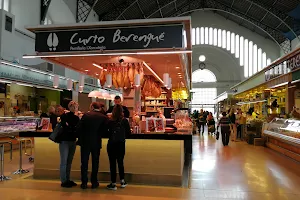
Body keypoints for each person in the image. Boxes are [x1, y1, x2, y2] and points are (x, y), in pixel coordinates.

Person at [77, 102, 108, 189]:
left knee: (84, 162)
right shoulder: (103, 117)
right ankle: (94, 182)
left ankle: (84, 182)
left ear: (92, 107)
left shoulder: (86, 115)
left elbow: (79, 128)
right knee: (95, 162)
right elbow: (105, 131)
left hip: (85, 142)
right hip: (96, 142)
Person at [106, 105, 131, 190]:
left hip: (112, 143)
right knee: (120, 162)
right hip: (121, 143)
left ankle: (113, 183)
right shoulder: (124, 121)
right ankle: (122, 181)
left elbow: (106, 132)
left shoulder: (110, 121)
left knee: (112, 163)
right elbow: (128, 133)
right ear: (122, 112)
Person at [58, 101, 80, 188]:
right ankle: (64, 180)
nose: (74, 108)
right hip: (70, 140)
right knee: (67, 161)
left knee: (65, 161)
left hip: (65, 140)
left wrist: (68, 126)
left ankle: (66, 179)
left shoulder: (64, 116)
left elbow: (66, 126)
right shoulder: (76, 118)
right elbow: (76, 128)